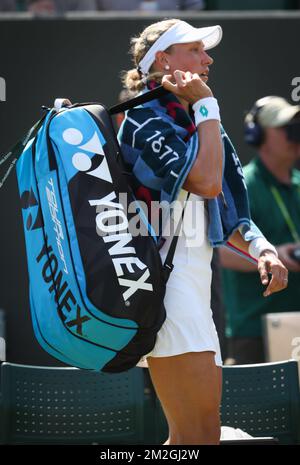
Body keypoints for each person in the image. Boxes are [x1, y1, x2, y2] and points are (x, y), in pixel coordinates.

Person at [118, 19, 288, 445]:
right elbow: (207, 182)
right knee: (197, 438)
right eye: (195, 49)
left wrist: (261, 249)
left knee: (195, 437)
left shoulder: (198, 117)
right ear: (163, 60)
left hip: (195, 292)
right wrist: (208, 107)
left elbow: (228, 210)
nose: (207, 58)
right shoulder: (142, 119)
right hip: (166, 291)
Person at [220, 96, 300, 365]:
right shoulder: (243, 187)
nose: (294, 134)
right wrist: (275, 255)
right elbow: (220, 251)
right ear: (258, 135)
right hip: (255, 331)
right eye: (285, 127)